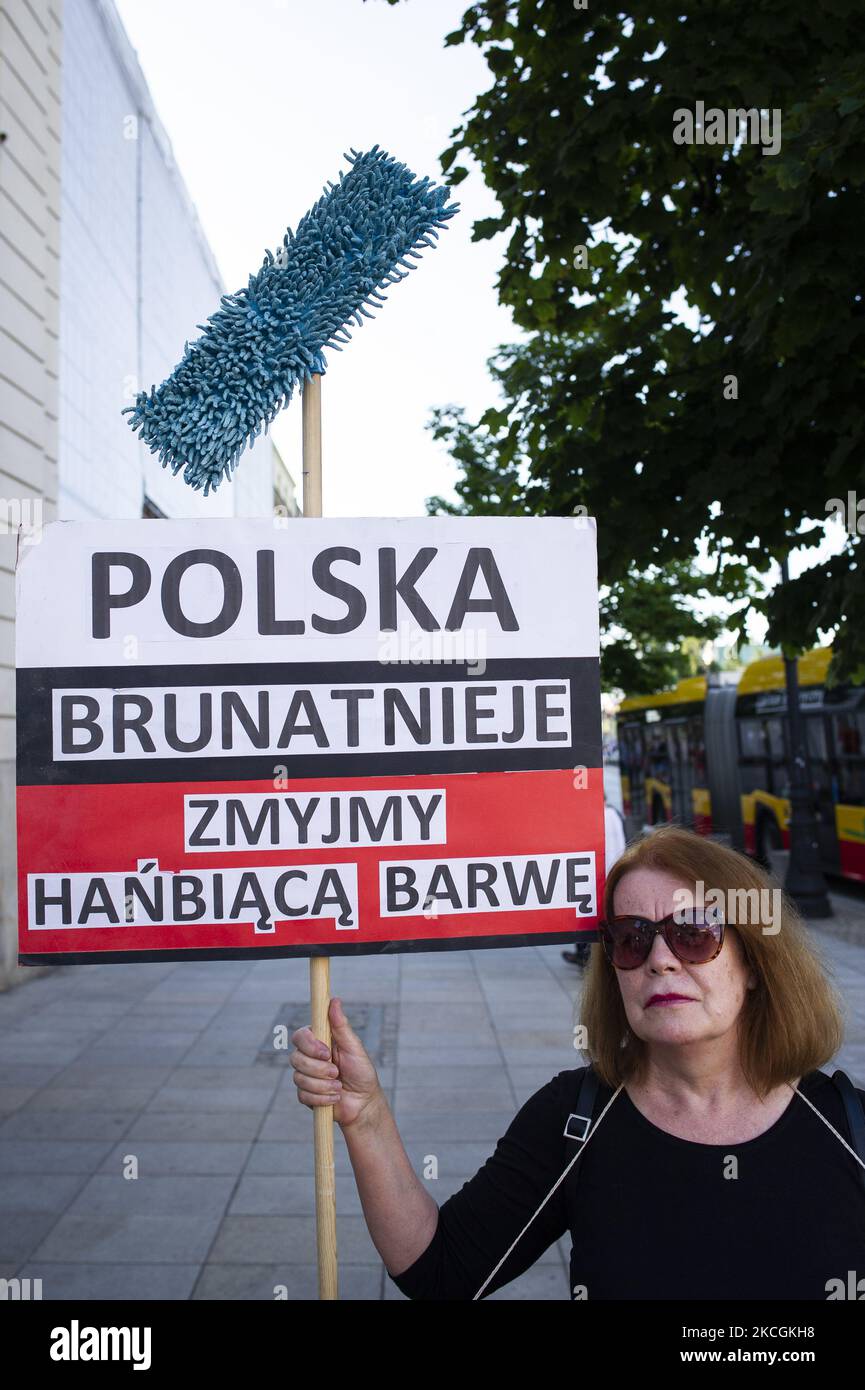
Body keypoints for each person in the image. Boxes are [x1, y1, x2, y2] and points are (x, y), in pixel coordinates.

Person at [290, 825, 865, 1300]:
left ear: (755, 962)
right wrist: (367, 1119)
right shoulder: (574, 1120)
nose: (660, 961)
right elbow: (440, 1272)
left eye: (694, 933)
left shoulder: (848, 1127)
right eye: (633, 939)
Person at [562, 799, 627, 968]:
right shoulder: (614, 813)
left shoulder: (593, 816)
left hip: (595, 874)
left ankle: (584, 955)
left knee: (586, 916)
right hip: (613, 870)